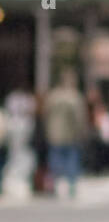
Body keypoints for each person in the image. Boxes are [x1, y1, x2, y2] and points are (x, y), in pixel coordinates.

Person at [44, 70, 89, 198]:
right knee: (72, 161)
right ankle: (71, 187)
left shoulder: (53, 96)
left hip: (54, 134)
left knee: (54, 160)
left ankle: (53, 185)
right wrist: (82, 131)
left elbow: (46, 114)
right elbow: (79, 117)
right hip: (70, 134)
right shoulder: (74, 97)